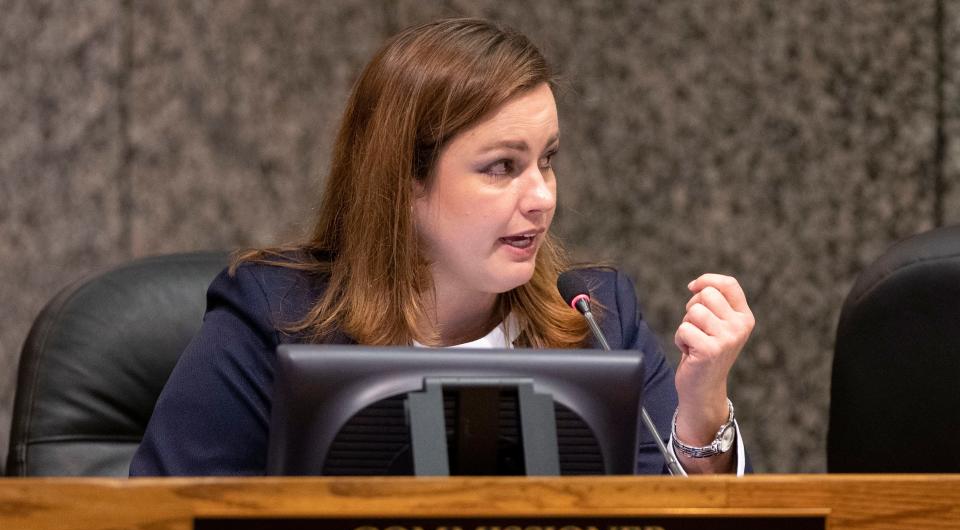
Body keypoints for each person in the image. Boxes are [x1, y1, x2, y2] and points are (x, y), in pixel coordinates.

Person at [130, 18, 754, 477]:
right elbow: (164, 529)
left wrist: (701, 419)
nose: (541, 197)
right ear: (404, 183)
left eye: (547, 162)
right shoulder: (276, 315)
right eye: (501, 167)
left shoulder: (591, 316)